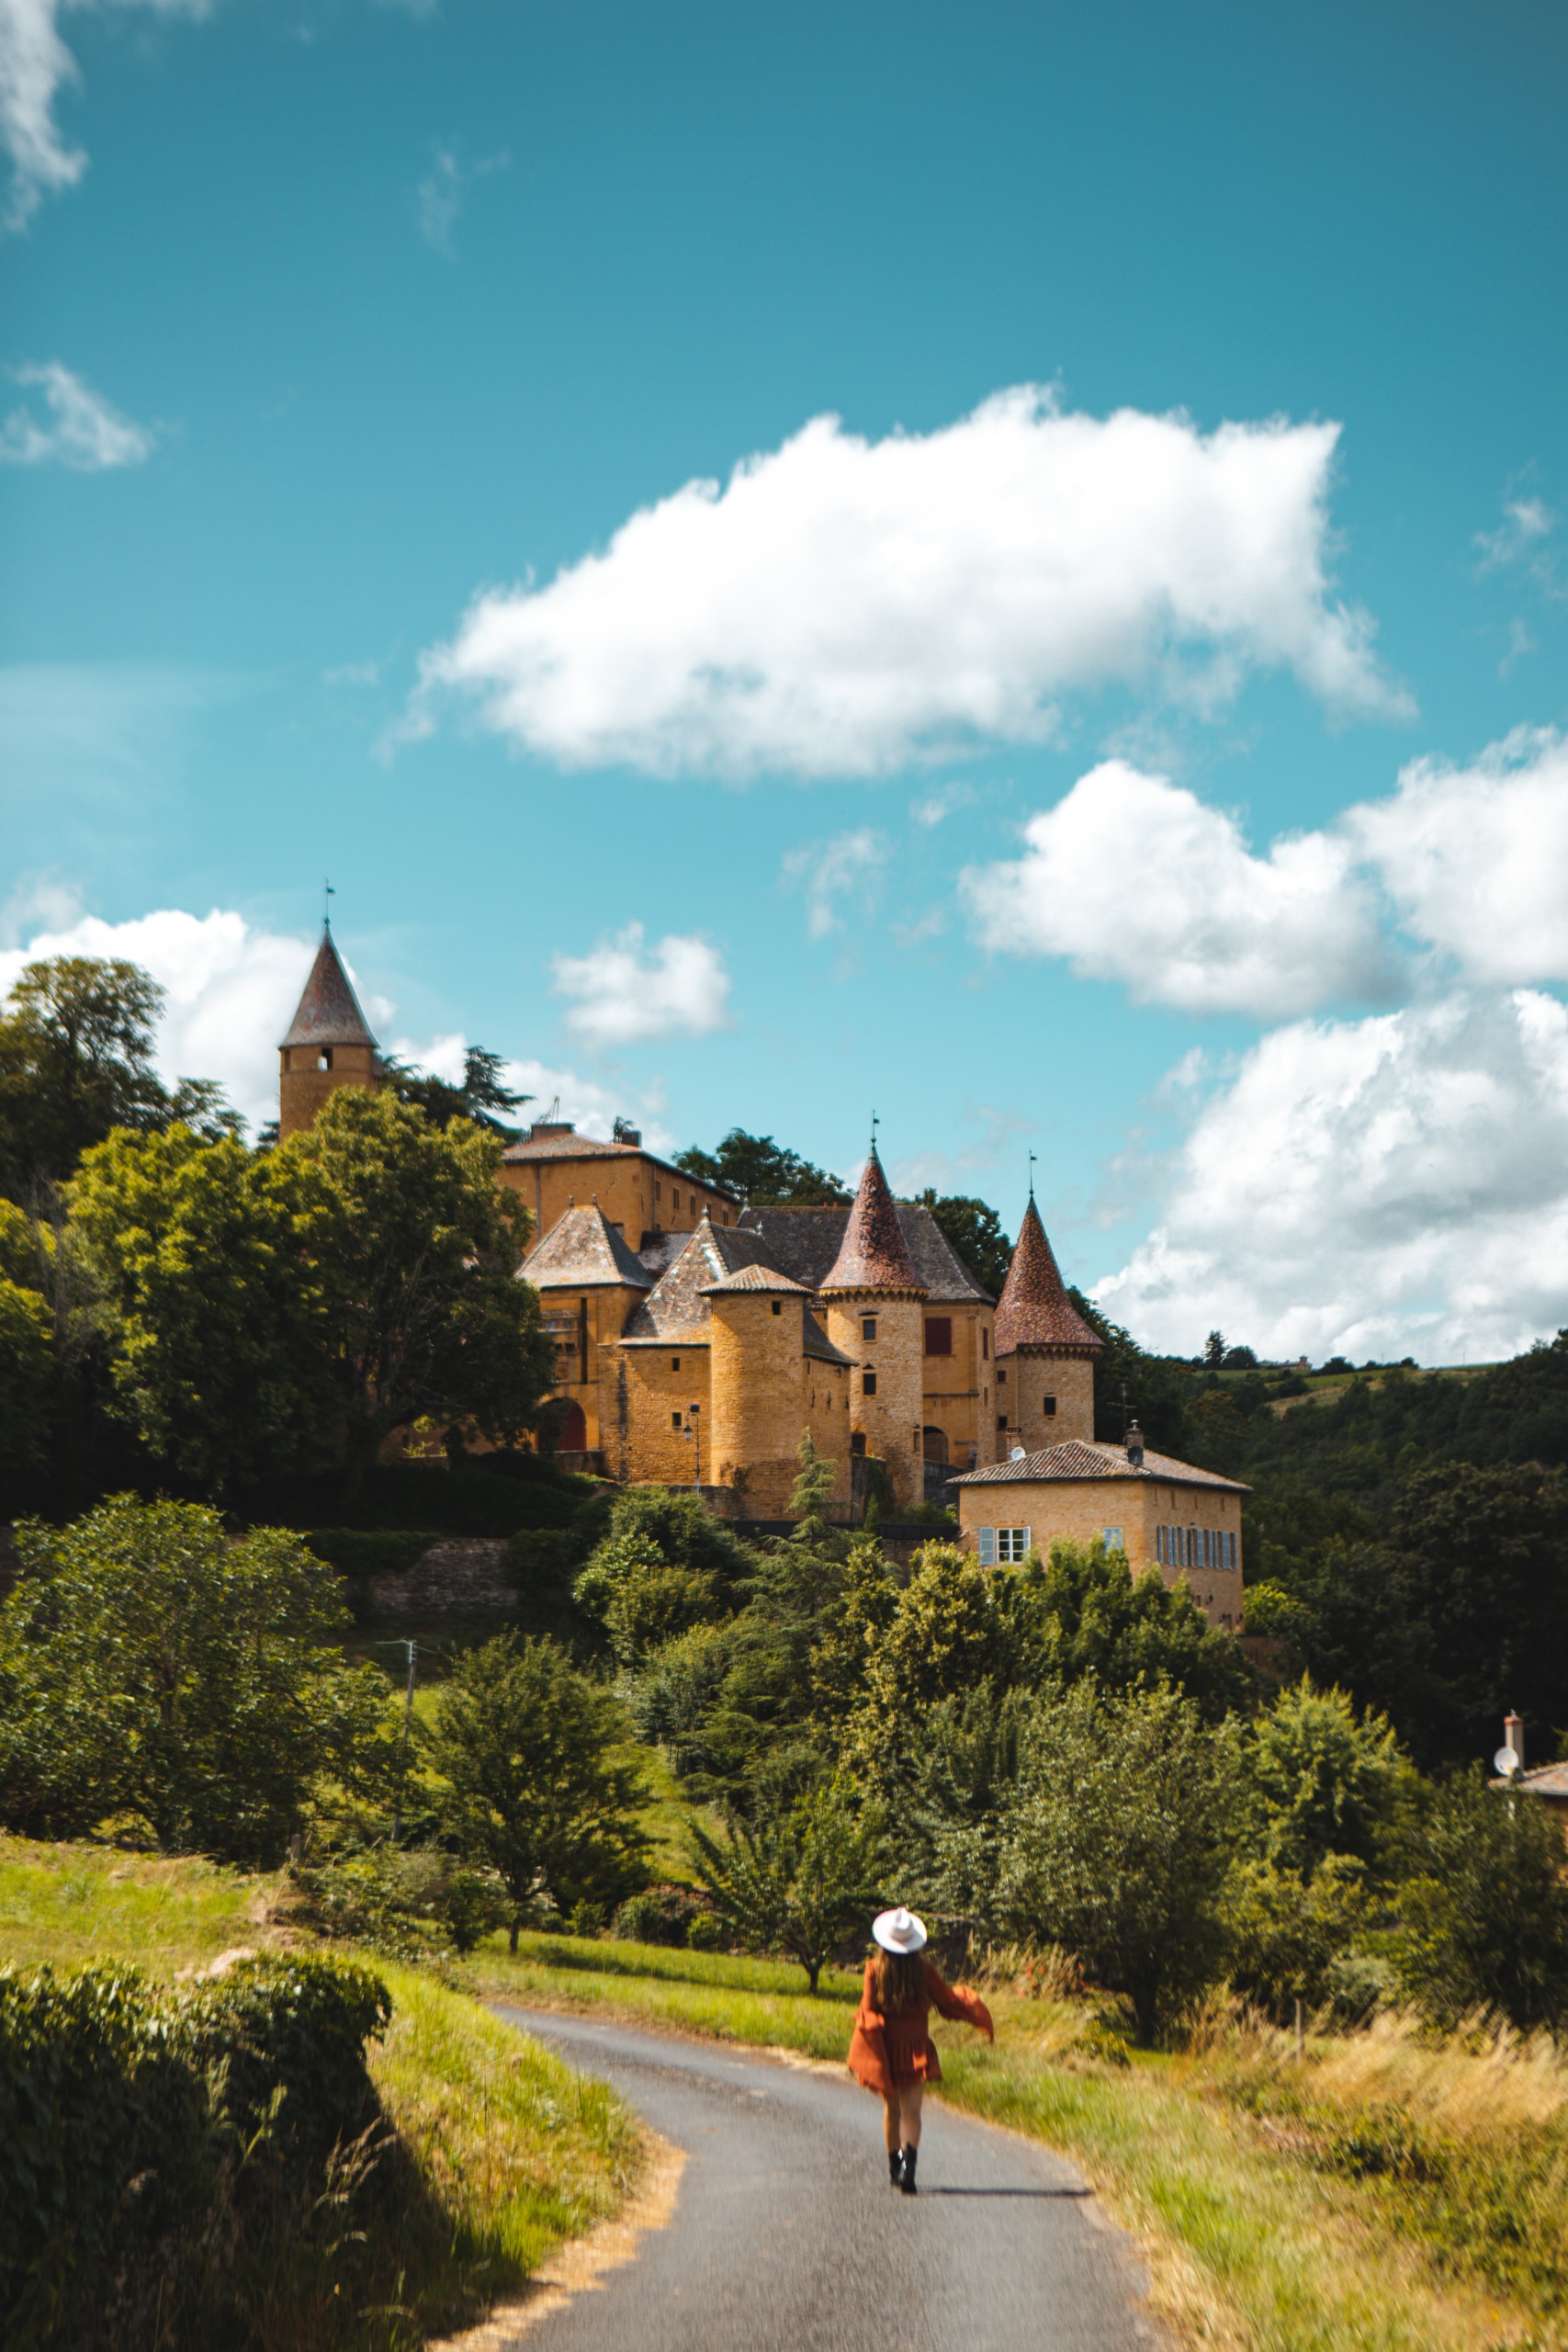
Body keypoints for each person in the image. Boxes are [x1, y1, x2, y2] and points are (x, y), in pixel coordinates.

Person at [846, 1905, 994, 2194]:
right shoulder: (925, 1972)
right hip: (916, 2049)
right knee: (912, 2111)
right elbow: (948, 2002)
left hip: (887, 2049)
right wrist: (969, 2001)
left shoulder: (874, 1970)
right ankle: (910, 2167)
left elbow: (868, 2011)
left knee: (892, 2110)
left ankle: (894, 2168)